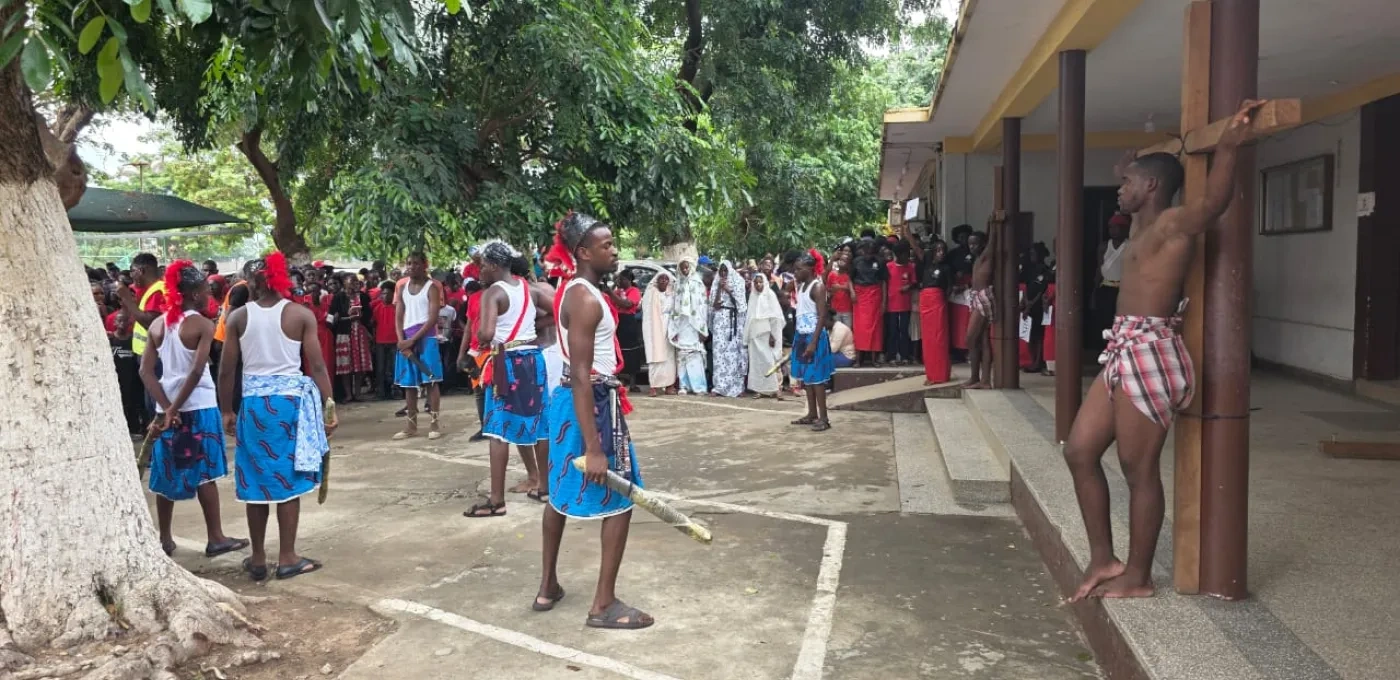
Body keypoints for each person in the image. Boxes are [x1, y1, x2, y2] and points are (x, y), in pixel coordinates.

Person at [1065, 100, 1262, 602]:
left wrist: (1230, 146)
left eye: (1127, 182)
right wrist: (1136, 162)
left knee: (1138, 468)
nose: (1119, 188)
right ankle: (1104, 558)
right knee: (1079, 451)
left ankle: (1140, 574)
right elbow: (1145, 182)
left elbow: (1214, 203)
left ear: (1151, 187)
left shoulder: (1173, 223)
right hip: (1123, 348)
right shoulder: (1139, 225)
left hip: (1151, 350)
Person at [537, 212, 653, 629]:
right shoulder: (584, 298)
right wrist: (594, 446)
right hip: (590, 403)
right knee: (622, 498)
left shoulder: (574, 289)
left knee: (557, 495)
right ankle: (603, 605)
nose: (614, 249)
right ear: (583, 252)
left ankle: (548, 586)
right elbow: (584, 375)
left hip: (574, 399)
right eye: (606, 245)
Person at [218, 252, 337, 581]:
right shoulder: (299, 315)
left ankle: (257, 558)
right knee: (288, 480)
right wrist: (329, 406)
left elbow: (227, 369)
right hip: (288, 405)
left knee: (256, 479)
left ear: (252, 282)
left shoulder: (238, 317)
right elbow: (317, 366)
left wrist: (227, 409)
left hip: (254, 404)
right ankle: (287, 556)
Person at [140, 261, 248, 559]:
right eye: (204, 290)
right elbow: (197, 370)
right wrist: (176, 407)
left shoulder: (157, 325)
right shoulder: (202, 324)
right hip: (198, 407)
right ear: (195, 294)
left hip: (167, 411)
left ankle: (164, 538)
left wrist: (166, 408)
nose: (208, 295)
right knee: (206, 473)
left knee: (165, 471)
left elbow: (146, 372)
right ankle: (216, 537)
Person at [465, 241, 549, 516]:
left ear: (495, 266)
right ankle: (545, 488)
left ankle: (496, 500)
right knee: (540, 424)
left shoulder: (492, 294)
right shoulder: (530, 289)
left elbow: (487, 334)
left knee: (497, 431)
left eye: (483, 265)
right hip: (533, 359)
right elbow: (559, 310)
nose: (479, 270)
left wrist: (478, 339)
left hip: (506, 363)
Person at [391, 253, 445, 439]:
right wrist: (401, 340)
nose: (411, 267)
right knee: (409, 384)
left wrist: (412, 340)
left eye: (415, 263)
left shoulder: (432, 288)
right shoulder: (403, 288)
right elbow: (398, 316)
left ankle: (434, 424)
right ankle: (411, 425)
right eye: (408, 263)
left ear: (424, 265)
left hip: (425, 337)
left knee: (431, 381)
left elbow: (432, 318)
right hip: (406, 337)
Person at [789, 251, 833, 432]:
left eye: (799, 269)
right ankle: (812, 413)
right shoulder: (801, 286)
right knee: (807, 379)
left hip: (814, 337)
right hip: (802, 335)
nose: (796, 273)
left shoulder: (817, 287)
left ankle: (824, 418)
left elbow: (822, 315)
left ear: (809, 268)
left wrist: (813, 342)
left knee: (817, 380)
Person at [907, 229, 951, 384]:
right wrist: (906, 229)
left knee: (939, 338)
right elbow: (915, 247)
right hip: (925, 301)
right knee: (928, 339)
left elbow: (948, 289)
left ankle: (941, 375)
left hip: (938, 303)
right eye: (938, 250)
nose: (941, 253)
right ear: (932, 252)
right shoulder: (926, 263)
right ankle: (931, 375)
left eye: (943, 251)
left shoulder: (946, 268)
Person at [963, 217, 1002, 389]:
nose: (972, 247)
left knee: (970, 338)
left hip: (983, 296)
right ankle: (982, 379)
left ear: (982, 244)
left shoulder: (987, 255)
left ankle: (978, 378)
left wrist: (992, 224)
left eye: (975, 244)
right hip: (976, 296)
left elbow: (992, 241)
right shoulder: (978, 259)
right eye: (970, 244)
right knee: (983, 340)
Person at [707, 261, 748, 398]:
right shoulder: (716, 282)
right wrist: (719, 288)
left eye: (726, 271)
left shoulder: (738, 281)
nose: (723, 273)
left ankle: (737, 386)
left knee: (734, 354)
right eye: (721, 271)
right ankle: (719, 386)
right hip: (720, 319)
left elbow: (741, 305)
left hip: (734, 320)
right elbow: (713, 305)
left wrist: (729, 290)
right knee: (719, 353)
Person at [331, 274, 374, 401]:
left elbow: (368, 315)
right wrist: (348, 318)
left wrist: (363, 320)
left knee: (359, 365)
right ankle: (349, 394)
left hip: (360, 333)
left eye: (356, 281)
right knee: (346, 365)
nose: (354, 284)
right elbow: (334, 317)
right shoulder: (338, 297)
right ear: (344, 283)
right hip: (344, 333)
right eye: (351, 281)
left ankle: (358, 393)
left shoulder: (363, 296)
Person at [669, 259, 709, 395]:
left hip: (694, 325)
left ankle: (699, 387)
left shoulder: (698, 284)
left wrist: (702, 328)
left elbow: (702, 306)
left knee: (695, 355)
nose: (685, 270)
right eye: (682, 268)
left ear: (691, 268)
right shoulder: (677, 284)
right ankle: (684, 385)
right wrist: (673, 328)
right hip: (681, 324)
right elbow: (674, 306)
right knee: (682, 356)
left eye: (686, 268)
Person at [745, 273, 785, 398]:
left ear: (765, 283)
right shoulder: (753, 296)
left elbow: (775, 318)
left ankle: (774, 388)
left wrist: (773, 335)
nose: (758, 285)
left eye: (760, 282)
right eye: (756, 282)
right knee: (756, 363)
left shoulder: (770, 295)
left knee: (769, 361)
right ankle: (759, 389)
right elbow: (750, 318)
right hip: (755, 335)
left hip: (767, 335)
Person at [1094, 213, 1130, 351]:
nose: (1113, 231)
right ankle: (1107, 349)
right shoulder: (1104, 246)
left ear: (1124, 229)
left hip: (1124, 289)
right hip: (1106, 288)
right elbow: (1099, 268)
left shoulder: (1130, 245)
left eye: (1116, 228)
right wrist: (1095, 290)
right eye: (1111, 228)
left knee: (1122, 321)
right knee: (1106, 321)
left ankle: (1121, 348)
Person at [849, 240, 886, 366]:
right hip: (860, 297)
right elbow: (850, 278)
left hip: (875, 296)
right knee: (859, 329)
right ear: (862, 251)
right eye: (867, 251)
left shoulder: (880, 262)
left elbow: (884, 282)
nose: (868, 254)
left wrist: (884, 302)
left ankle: (874, 359)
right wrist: (852, 292)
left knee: (875, 329)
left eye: (871, 251)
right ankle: (859, 359)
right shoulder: (856, 262)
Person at [641, 272, 677, 396]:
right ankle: (653, 387)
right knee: (655, 356)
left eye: (666, 279)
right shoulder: (651, 293)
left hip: (669, 327)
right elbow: (647, 312)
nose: (663, 281)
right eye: (661, 278)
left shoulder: (672, 293)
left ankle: (669, 385)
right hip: (654, 327)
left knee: (669, 357)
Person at [1021, 242, 1053, 375]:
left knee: (1039, 335)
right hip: (1028, 303)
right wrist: (1025, 302)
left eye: (1034, 253)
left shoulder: (1045, 270)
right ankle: (1032, 359)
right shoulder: (1029, 269)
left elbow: (1041, 290)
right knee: (1030, 335)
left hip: (1038, 305)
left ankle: (1038, 362)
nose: (1032, 256)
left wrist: (1030, 304)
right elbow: (1026, 287)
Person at [610, 271, 644, 391]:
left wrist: (610, 293)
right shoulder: (617, 291)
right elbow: (610, 301)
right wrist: (612, 289)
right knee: (618, 351)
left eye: (621, 279)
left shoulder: (634, 291)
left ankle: (633, 383)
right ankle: (620, 379)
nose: (619, 282)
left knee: (631, 351)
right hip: (618, 321)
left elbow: (626, 304)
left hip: (628, 322)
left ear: (628, 280)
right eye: (618, 279)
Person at [884, 241, 917, 365]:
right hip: (891, 304)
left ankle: (905, 355)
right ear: (899, 254)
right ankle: (891, 355)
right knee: (892, 331)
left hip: (905, 304)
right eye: (905, 254)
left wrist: (908, 287)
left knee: (904, 331)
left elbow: (914, 282)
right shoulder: (888, 267)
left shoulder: (910, 267)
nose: (907, 257)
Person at [371, 280, 399, 400]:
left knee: (393, 367)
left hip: (394, 341)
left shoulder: (397, 308)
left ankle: (395, 391)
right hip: (380, 342)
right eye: (383, 293)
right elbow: (373, 324)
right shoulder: (377, 308)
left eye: (388, 293)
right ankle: (381, 392)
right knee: (380, 368)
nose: (385, 296)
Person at [825, 251, 854, 328]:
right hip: (835, 309)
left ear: (848, 263)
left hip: (847, 310)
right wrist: (831, 291)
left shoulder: (850, 276)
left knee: (847, 331)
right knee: (836, 331)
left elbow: (853, 291)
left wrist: (840, 287)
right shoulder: (832, 274)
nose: (841, 262)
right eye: (840, 260)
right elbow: (828, 289)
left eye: (844, 261)